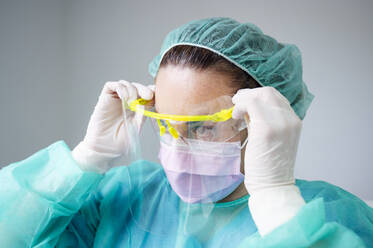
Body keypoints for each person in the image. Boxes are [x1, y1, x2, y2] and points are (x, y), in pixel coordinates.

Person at [0, 17, 372, 248]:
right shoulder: (127, 194)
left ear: (263, 120)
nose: (176, 149)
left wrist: (276, 200)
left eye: (204, 127)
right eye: (164, 122)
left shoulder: (326, 216)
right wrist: (86, 158)